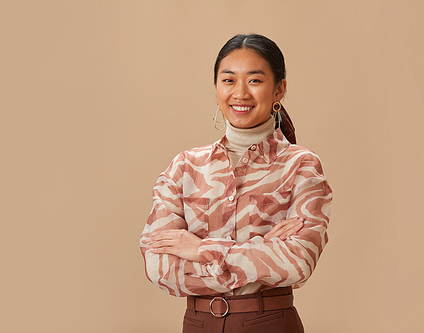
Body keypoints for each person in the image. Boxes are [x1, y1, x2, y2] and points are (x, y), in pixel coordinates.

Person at [140, 34, 332, 333]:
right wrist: (267, 249)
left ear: (279, 88)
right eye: (228, 80)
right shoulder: (186, 166)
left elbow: (298, 263)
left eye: (254, 80)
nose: (240, 93)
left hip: (270, 324)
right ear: (216, 86)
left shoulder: (301, 165)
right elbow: (158, 268)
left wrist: (201, 249)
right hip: (198, 325)